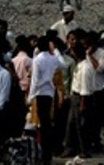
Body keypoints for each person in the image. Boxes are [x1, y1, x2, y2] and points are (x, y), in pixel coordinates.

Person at [28, 36, 65, 165]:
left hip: (40, 93)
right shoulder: (53, 59)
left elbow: (35, 80)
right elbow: (63, 65)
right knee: (47, 123)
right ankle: (47, 153)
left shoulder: (37, 60)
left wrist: (30, 96)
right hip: (50, 93)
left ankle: (44, 153)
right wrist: (56, 51)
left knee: (42, 124)